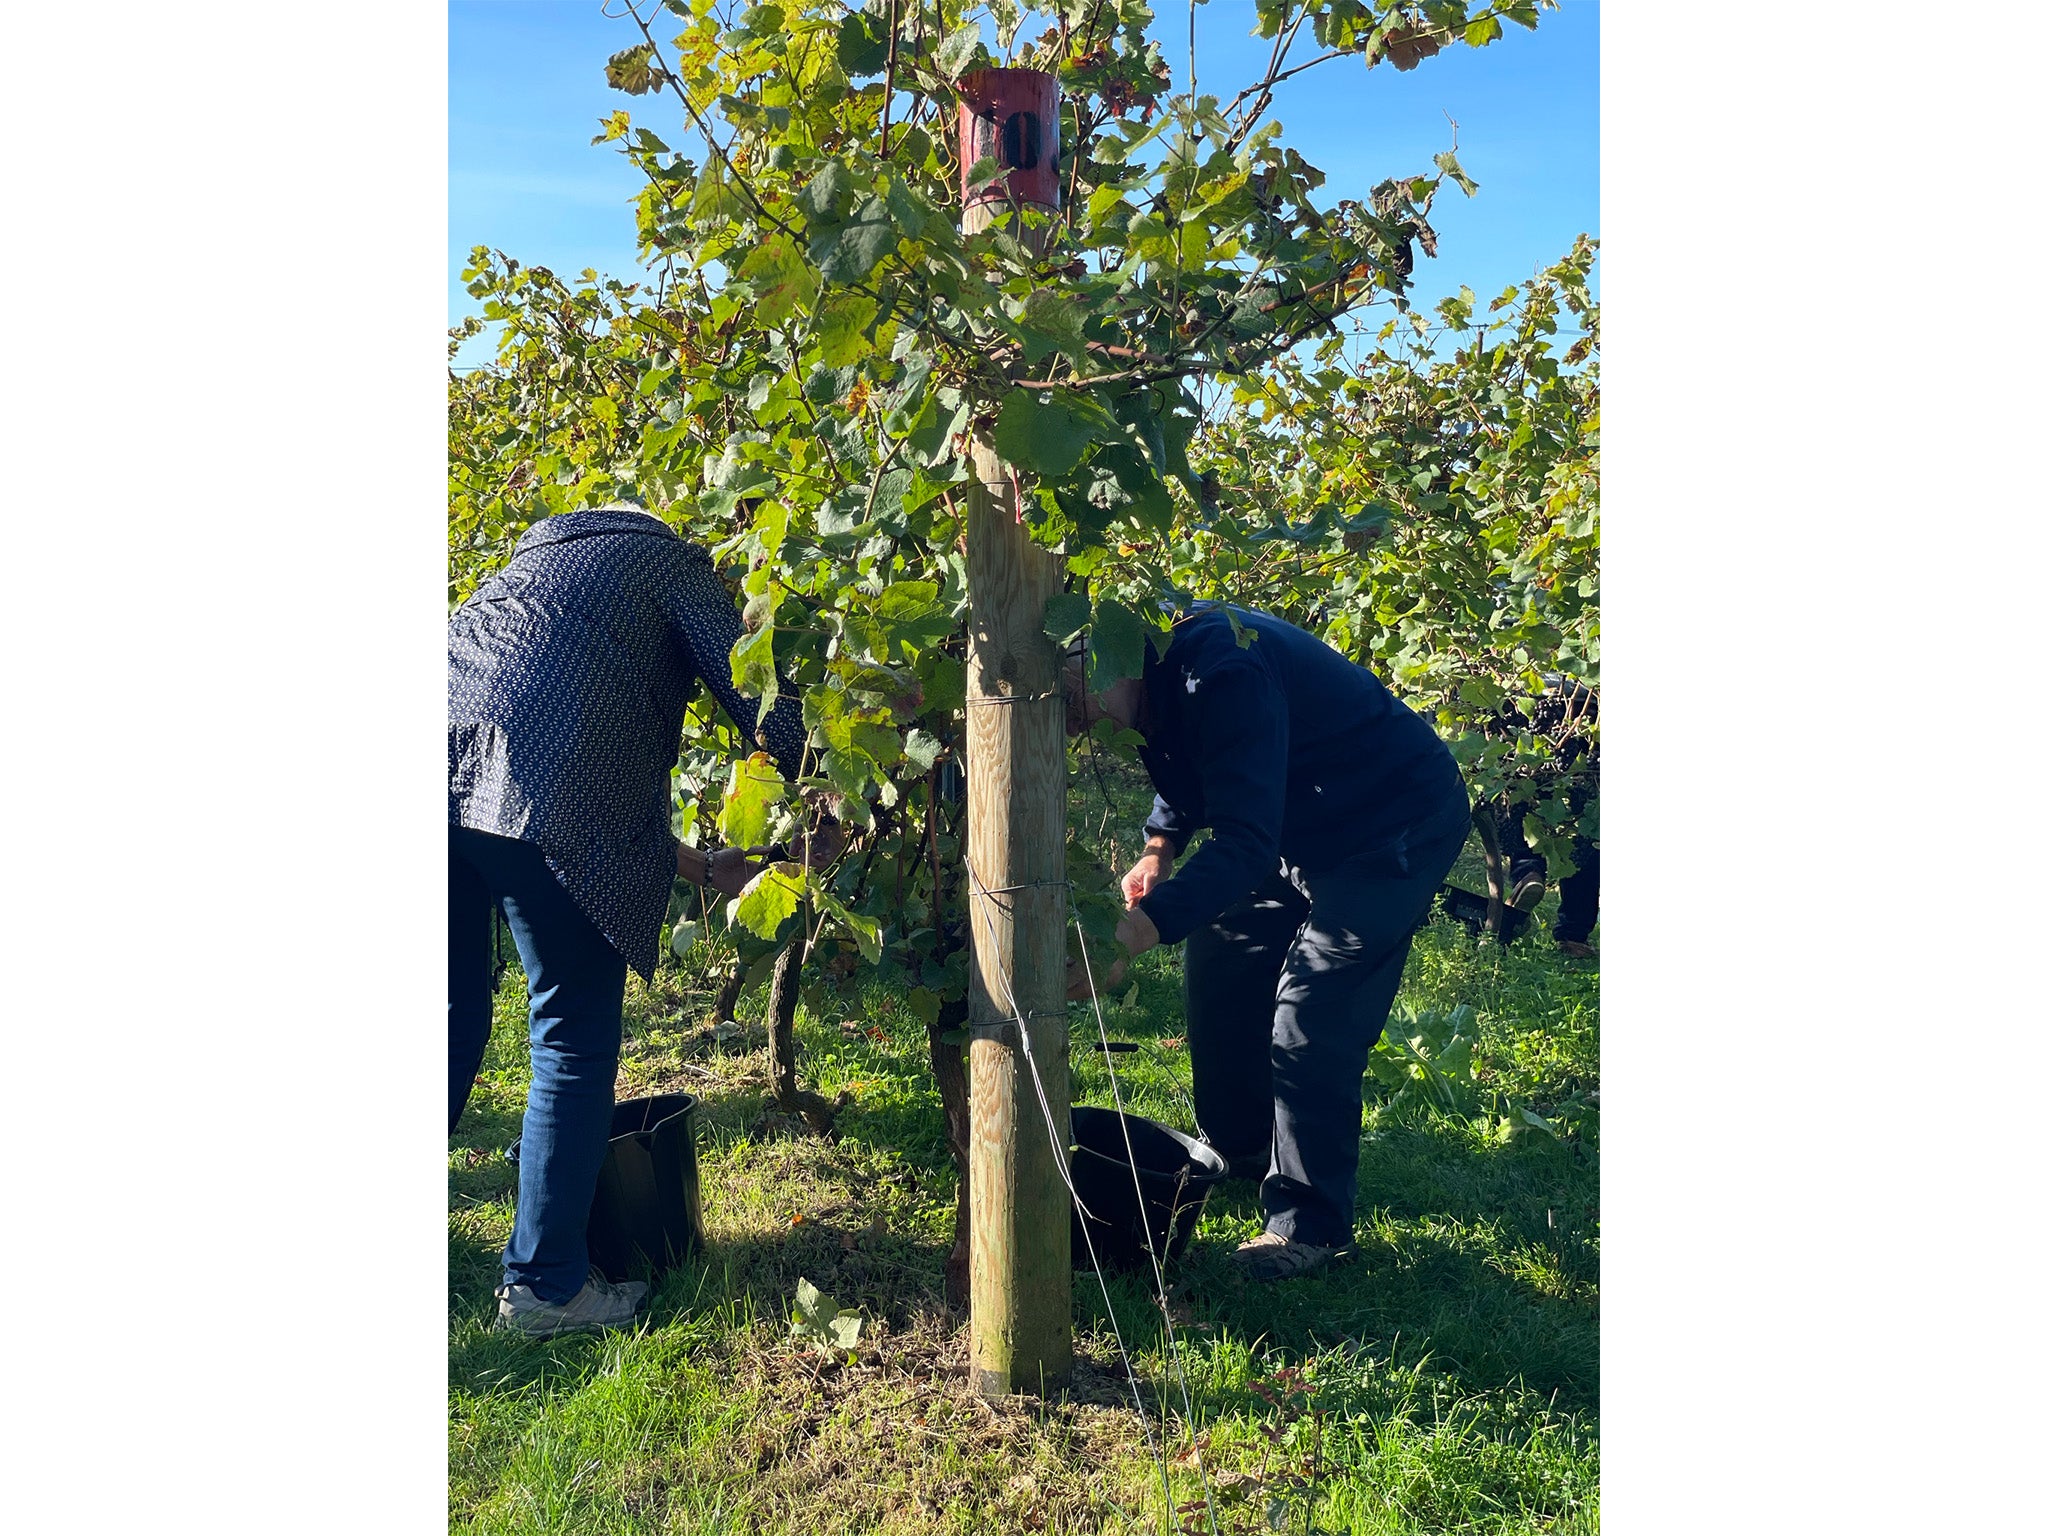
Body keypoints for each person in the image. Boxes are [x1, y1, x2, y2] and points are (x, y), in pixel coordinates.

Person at [449, 504, 836, 1337]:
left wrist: (699, 867)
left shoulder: (524, 578)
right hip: (529, 789)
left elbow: (545, 741)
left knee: (447, 1013)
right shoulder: (660, 558)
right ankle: (547, 1290)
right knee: (570, 1033)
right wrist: (837, 786)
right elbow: (756, 688)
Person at [1063, 603, 1471, 1282]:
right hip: (1292, 826)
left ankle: (1307, 1227)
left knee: (1311, 1012)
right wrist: (1161, 847)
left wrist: (1134, 931)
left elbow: (1244, 843)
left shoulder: (1223, 669)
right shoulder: (1149, 672)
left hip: (1391, 825)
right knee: (1224, 969)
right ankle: (1242, 1149)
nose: (1068, 718)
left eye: (1067, 694)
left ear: (1101, 654)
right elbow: (1198, 761)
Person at [1490, 679, 1599, 958]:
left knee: (1516, 791)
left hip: (1526, 692)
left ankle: (1528, 872)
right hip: (1590, 703)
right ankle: (1574, 935)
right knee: (1588, 816)